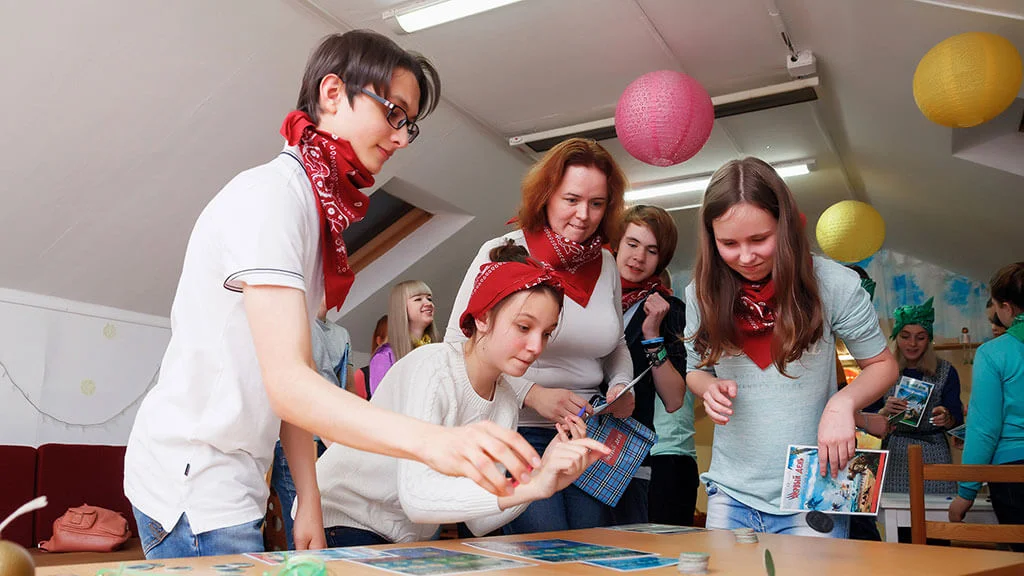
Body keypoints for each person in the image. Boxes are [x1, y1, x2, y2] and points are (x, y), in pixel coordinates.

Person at [124, 30, 540, 559]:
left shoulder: (313, 211)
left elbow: (294, 381)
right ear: (332, 93)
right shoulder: (272, 197)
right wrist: (433, 441)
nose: (402, 138)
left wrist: (309, 498)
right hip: (193, 478)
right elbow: (290, 386)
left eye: (410, 125)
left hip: (236, 474)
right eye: (394, 113)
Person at [308, 243, 609, 545]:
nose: (536, 346)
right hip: (341, 518)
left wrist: (543, 476)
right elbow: (417, 498)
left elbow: (480, 522)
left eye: (546, 333)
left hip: (401, 538)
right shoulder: (434, 368)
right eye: (523, 327)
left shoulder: (505, 403)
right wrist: (533, 485)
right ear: (483, 318)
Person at [685, 157, 898, 539]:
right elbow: (694, 370)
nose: (746, 257)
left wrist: (843, 403)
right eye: (729, 243)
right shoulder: (701, 293)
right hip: (731, 493)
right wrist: (708, 386)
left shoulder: (835, 284)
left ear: (784, 227)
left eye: (759, 240)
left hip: (815, 490)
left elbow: (883, 365)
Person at [446, 137, 634, 533]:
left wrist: (620, 383)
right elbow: (456, 343)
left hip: (586, 432)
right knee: (543, 549)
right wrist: (531, 393)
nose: (583, 215)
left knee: (590, 547)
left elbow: (615, 343)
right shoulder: (502, 251)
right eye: (571, 200)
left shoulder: (607, 263)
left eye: (597, 203)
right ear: (546, 195)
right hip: (515, 427)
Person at [609, 205, 690, 525]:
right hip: (569, 442)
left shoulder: (668, 308)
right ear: (617, 244)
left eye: (651, 250)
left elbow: (674, 398)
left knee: (624, 546)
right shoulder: (587, 297)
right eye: (632, 244)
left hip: (625, 454)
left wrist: (652, 336)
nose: (638, 257)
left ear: (662, 258)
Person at [949, 262, 1024, 552]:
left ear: (1006, 307)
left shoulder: (994, 353)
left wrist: (965, 492)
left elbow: (984, 429)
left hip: (1013, 473)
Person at [271, 297, 354, 549]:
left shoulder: (342, 335)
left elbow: (347, 387)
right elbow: (301, 380)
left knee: (326, 520)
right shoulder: (295, 322)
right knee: (299, 519)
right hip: (301, 434)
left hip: (333, 436)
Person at [867, 297, 963, 496]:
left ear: (929, 339)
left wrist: (946, 417)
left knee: (937, 510)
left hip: (934, 452)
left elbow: (956, 421)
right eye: (905, 336)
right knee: (896, 511)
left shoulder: (945, 371)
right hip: (896, 453)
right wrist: (883, 412)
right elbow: (864, 418)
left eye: (920, 337)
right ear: (896, 337)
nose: (912, 343)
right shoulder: (883, 371)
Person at [368, 281, 436, 395]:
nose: (428, 303)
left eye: (429, 299)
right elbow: (382, 401)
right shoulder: (384, 357)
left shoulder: (440, 350)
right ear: (401, 308)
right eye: (418, 299)